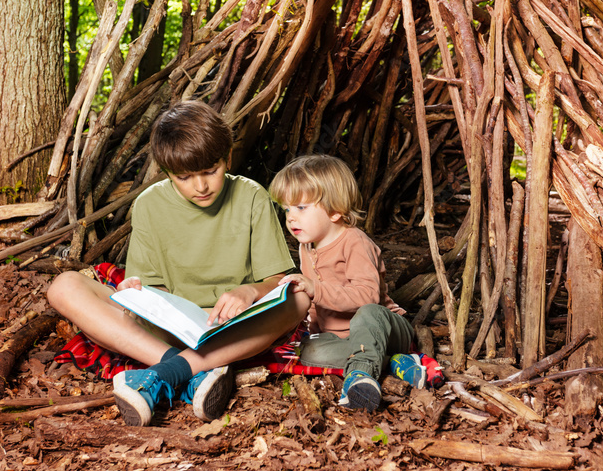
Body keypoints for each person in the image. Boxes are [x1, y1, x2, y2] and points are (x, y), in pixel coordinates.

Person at [47, 100, 310, 426]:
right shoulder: (149, 204)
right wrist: (136, 293)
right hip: (171, 327)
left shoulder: (251, 196)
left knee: (299, 297)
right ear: (166, 172)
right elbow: (150, 286)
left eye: (211, 171)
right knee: (64, 286)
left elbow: (276, 281)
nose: (201, 186)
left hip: (234, 326)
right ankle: (188, 370)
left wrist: (248, 292)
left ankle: (164, 374)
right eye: (185, 177)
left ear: (227, 157)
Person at [268, 154, 426, 410]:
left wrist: (314, 288)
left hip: (384, 329)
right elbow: (314, 305)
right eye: (287, 209)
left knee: (369, 313)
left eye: (301, 208)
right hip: (344, 340)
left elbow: (367, 297)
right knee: (309, 351)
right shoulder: (306, 246)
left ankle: (360, 377)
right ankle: (391, 362)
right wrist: (311, 325)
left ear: (335, 210)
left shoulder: (355, 242)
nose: (291, 218)